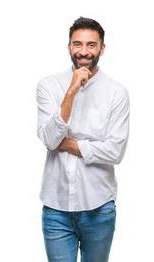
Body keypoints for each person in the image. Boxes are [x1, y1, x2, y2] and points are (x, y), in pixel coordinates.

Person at [36, 17, 130, 262]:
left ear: (102, 48)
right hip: (56, 209)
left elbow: (114, 151)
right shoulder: (48, 86)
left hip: (99, 209)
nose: (84, 51)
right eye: (77, 44)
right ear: (69, 47)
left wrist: (67, 144)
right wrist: (71, 91)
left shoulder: (116, 92)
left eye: (91, 45)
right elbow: (48, 138)